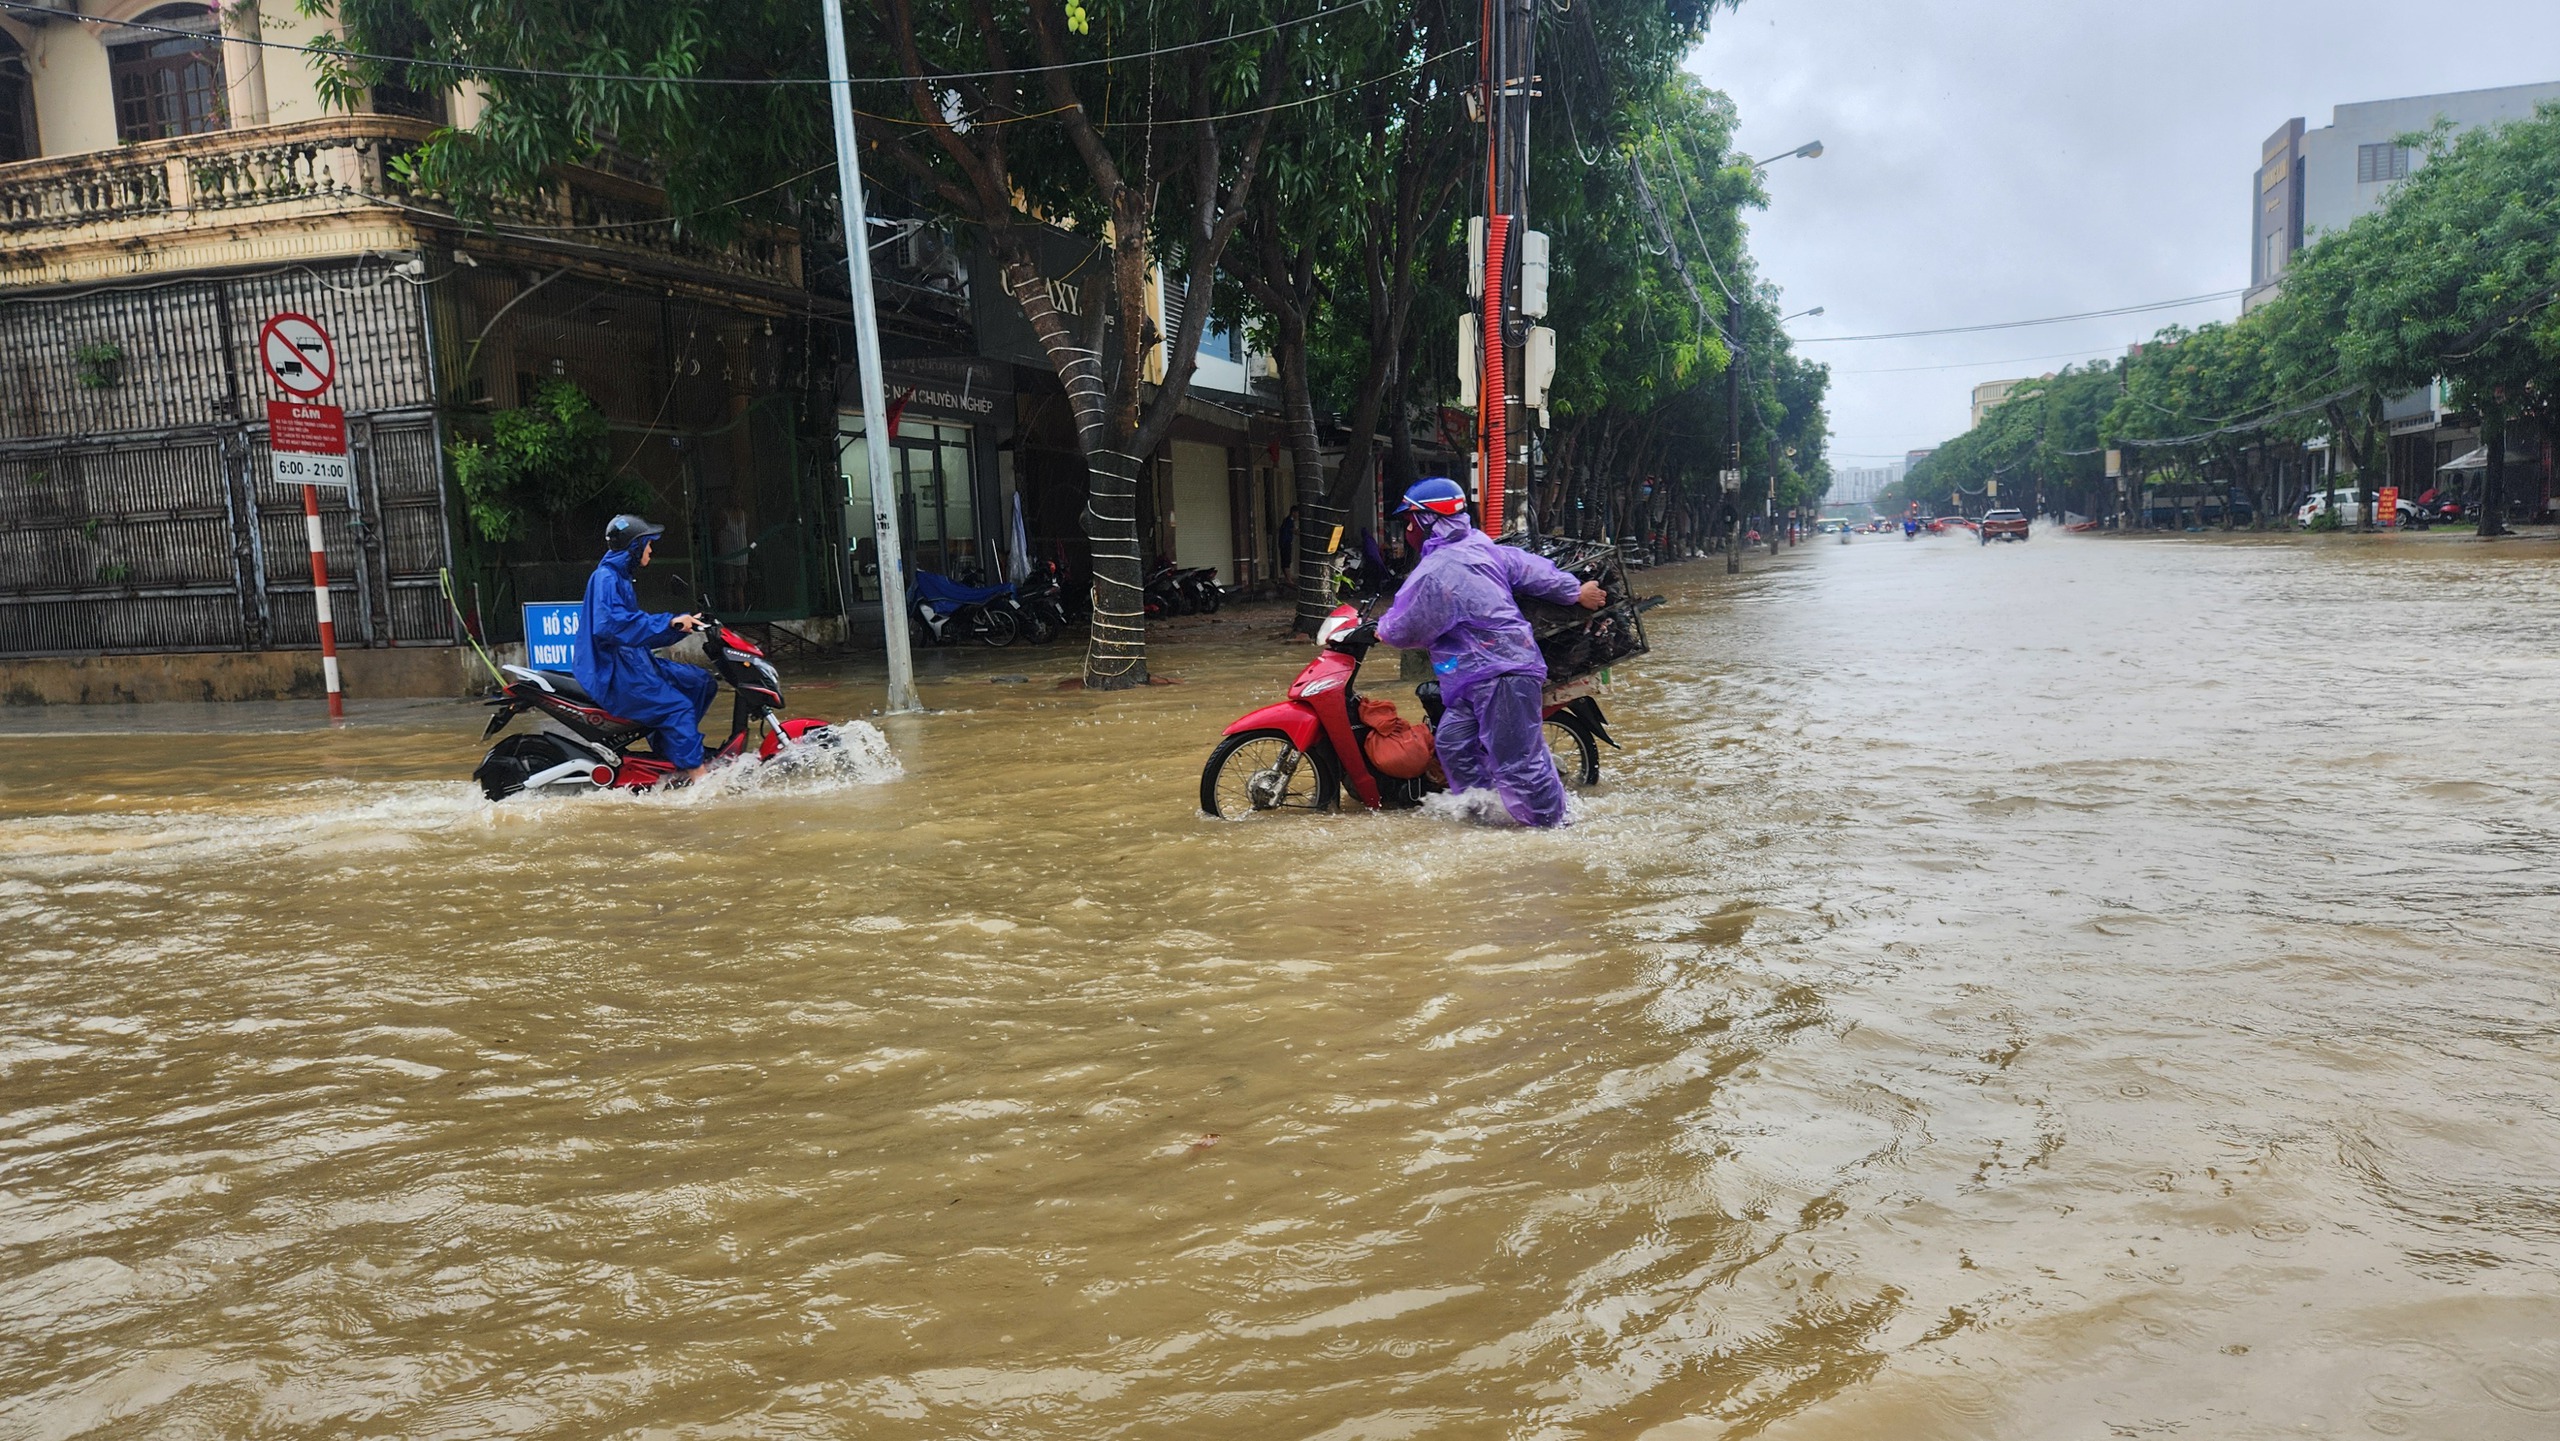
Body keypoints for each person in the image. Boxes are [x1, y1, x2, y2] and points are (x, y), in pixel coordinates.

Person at [1375, 478, 1603, 828]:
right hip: (1476, 678)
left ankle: (1554, 834)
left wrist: (1381, 629)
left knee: (1518, 764)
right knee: (1453, 743)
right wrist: (1573, 590)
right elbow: (1532, 569)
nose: (1408, 530)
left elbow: (1408, 626)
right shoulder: (1477, 544)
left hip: (1501, 674)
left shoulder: (1439, 571)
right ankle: (1487, 820)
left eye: (1411, 520)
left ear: (1430, 520)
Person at [576, 514, 716, 782]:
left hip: (634, 662)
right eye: (648, 544)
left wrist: (679, 627)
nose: (651, 550)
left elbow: (636, 631)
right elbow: (612, 626)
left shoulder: (620, 577)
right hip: (614, 673)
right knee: (677, 707)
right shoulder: (606, 578)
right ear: (634, 546)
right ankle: (697, 775)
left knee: (700, 682)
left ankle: (671, 751)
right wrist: (670, 623)